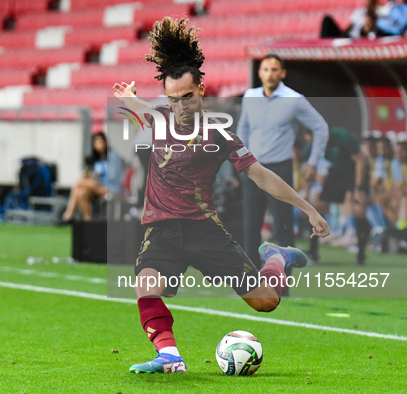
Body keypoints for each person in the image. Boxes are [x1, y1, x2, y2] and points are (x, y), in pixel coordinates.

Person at [113, 17, 329, 374]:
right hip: (162, 229)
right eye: (172, 98)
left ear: (201, 90)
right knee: (147, 285)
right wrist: (128, 98)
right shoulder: (160, 118)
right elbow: (141, 111)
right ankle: (170, 357)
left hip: (204, 231)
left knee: (266, 302)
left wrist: (307, 208)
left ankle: (276, 258)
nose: (179, 105)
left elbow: (261, 176)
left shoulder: (219, 135)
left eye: (186, 96)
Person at [237, 54, 329, 272]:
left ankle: (282, 286)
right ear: (259, 73)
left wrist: (313, 162)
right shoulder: (250, 96)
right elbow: (243, 129)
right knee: (250, 228)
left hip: (280, 168)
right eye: (266, 69)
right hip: (253, 169)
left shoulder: (294, 99)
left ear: (283, 73)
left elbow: (321, 128)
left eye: (275, 70)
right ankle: (250, 284)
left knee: (284, 229)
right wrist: (241, 157)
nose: (270, 74)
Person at [304, 128, 368, 265]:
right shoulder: (312, 146)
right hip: (336, 172)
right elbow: (309, 170)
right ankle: (313, 251)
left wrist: (358, 188)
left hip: (353, 173)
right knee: (319, 206)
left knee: (358, 208)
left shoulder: (343, 138)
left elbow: (360, 161)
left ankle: (361, 254)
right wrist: (307, 193)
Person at [62, 132, 123, 221]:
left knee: (79, 182)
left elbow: (113, 176)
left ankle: (68, 214)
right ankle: (88, 221)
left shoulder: (113, 156)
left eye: (100, 141)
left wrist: (97, 176)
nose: (98, 144)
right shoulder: (97, 158)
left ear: (105, 142)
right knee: (81, 192)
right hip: (97, 187)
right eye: (96, 142)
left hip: (111, 187)